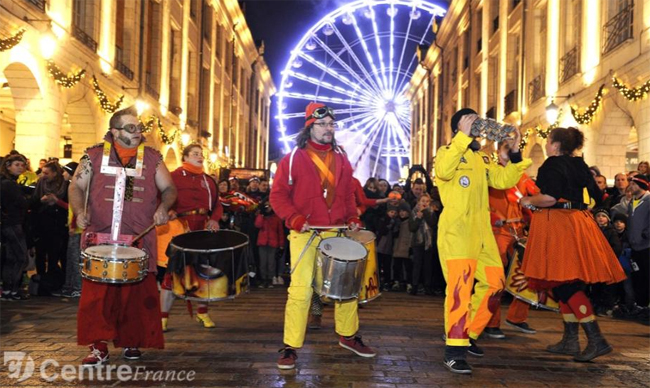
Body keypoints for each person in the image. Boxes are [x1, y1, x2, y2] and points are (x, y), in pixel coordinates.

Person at [69, 106, 177, 366]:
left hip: (138, 237)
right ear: (115, 131)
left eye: (139, 127)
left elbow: (169, 187)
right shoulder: (92, 156)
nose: (138, 132)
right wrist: (78, 211)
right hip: (100, 237)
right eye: (131, 128)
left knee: (136, 296)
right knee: (97, 296)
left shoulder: (153, 158)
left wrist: (164, 207)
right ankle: (98, 347)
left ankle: (132, 340)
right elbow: (76, 186)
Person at [270, 102, 375, 370]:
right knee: (301, 291)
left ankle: (348, 335)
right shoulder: (292, 159)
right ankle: (290, 346)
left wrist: (352, 217)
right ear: (309, 126)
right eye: (323, 124)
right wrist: (294, 219)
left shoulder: (341, 158)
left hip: (337, 230)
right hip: (304, 233)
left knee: (348, 289)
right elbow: (278, 195)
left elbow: (348, 196)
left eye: (331, 124)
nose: (329, 129)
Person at [435, 108, 530, 374]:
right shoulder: (446, 152)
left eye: (478, 121)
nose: (479, 125)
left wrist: (515, 152)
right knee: (460, 291)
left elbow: (503, 180)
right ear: (458, 126)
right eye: (472, 121)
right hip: (458, 234)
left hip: (482, 234)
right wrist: (462, 138)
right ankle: (454, 349)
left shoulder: (481, 157)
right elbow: (442, 171)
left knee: (496, 283)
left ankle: (468, 334)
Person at [520, 127, 626, 363]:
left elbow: (549, 198)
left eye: (548, 141)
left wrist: (527, 200)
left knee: (564, 284)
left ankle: (596, 339)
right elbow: (599, 198)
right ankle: (570, 340)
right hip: (578, 223)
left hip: (558, 225)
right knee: (562, 285)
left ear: (556, 145)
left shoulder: (551, 164)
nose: (546, 145)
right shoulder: (580, 164)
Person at [160, 144, 223, 331]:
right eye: (195, 154)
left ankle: (202, 312)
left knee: (203, 274)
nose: (200, 157)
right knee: (171, 274)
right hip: (180, 229)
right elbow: (161, 198)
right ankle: (162, 317)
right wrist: (168, 210)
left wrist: (214, 219)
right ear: (185, 157)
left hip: (202, 230)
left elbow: (218, 205)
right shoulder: (173, 176)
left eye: (201, 154)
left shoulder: (209, 181)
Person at [483, 141, 539, 339]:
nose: (510, 151)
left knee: (526, 274)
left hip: (518, 231)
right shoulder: (489, 173)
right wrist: (493, 219)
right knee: (495, 277)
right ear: (498, 152)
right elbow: (479, 201)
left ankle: (517, 317)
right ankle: (490, 321)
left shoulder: (522, 177)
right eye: (506, 148)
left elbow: (535, 196)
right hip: (496, 231)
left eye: (513, 149)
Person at [30, 161, 69, 280]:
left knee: (54, 253)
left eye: (46, 173)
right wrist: (41, 201)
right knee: (40, 253)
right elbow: (33, 202)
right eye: (42, 172)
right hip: (41, 224)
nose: (43, 175)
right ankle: (40, 278)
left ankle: (51, 279)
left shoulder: (65, 185)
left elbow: (69, 205)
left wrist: (55, 200)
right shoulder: (40, 183)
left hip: (58, 225)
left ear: (55, 173)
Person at [1, 154, 29, 300]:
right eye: (17, 164)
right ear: (8, 166)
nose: (20, 167)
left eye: (22, 165)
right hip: (12, 224)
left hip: (9, 223)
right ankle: (12, 289)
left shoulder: (9, 182)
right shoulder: (8, 184)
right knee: (21, 257)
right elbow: (22, 203)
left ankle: (8, 291)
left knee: (11, 258)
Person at [626, 174, 649, 308]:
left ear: (642, 185)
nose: (631, 186)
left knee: (647, 277)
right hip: (635, 246)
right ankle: (641, 305)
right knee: (638, 277)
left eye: (634, 184)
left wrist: (645, 235)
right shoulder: (632, 202)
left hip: (646, 246)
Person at [408, 193, 438, 295]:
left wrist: (425, 213)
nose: (424, 203)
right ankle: (415, 286)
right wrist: (418, 218)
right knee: (417, 265)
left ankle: (427, 287)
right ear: (419, 202)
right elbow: (412, 228)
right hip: (418, 242)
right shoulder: (413, 212)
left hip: (428, 243)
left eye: (427, 201)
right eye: (423, 201)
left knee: (428, 266)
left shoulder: (431, 212)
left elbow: (433, 224)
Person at [254, 197, 285, 288]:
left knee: (271, 262)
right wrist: (261, 214)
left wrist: (281, 244)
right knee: (262, 262)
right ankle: (263, 279)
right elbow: (257, 225)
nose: (269, 207)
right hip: (262, 243)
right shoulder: (261, 216)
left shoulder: (276, 217)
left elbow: (280, 232)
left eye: (270, 206)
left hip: (273, 243)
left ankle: (270, 279)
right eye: (267, 205)